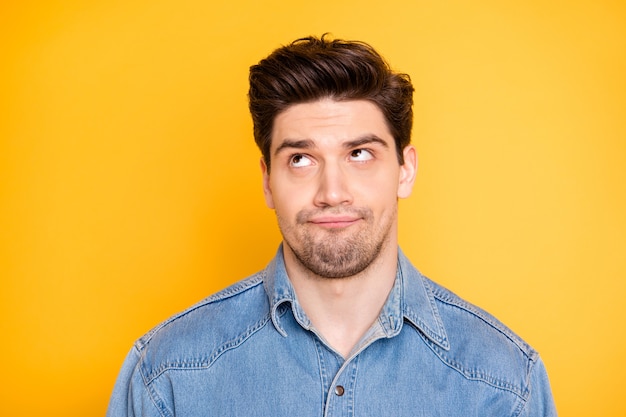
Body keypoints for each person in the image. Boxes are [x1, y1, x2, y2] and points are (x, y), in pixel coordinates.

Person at [106, 35, 557, 416]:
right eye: (301, 159)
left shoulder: (504, 383)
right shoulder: (166, 376)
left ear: (405, 170)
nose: (332, 191)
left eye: (359, 154)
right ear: (267, 181)